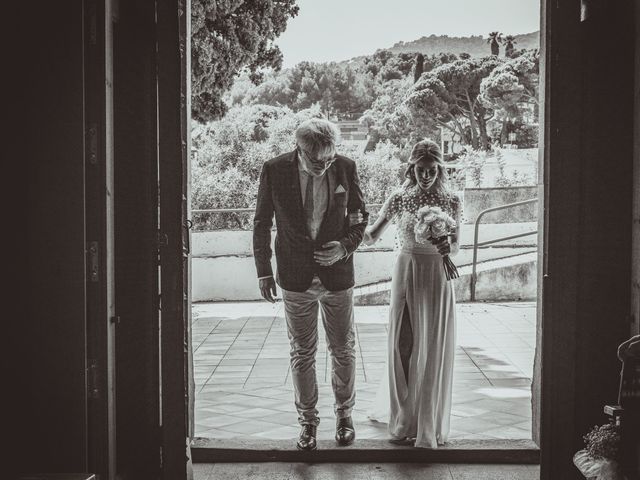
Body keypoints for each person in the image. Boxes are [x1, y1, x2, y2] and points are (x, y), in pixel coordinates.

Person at [252, 118, 369, 451]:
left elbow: (361, 216)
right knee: (302, 353)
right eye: (317, 160)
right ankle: (308, 423)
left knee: (343, 350)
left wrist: (345, 246)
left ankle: (345, 417)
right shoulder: (274, 170)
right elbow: (261, 223)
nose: (324, 165)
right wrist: (263, 270)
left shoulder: (346, 167)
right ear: (299, 148)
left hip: (338, 277)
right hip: (294, 276)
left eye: (329, 159)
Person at [361, 139, 462, 448]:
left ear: (440, 170)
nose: (426, 176)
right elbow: (372, 236)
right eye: (421, 170)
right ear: (412, 167)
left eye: (432, 170)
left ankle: (427, 419)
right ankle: (405, 415)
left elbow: (457, 246)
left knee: (432, 344)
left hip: (437, 275)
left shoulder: (453, 200)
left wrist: (447, 245)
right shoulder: (399, 197)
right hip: (407, 272)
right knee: (404, 342)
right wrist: (352, 221)